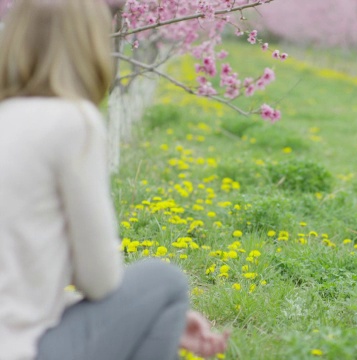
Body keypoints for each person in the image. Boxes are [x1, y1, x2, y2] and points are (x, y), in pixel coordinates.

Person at [0, 0, 229, 359]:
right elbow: (99, 280)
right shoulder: (72, 121)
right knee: (164, 281)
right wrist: (141, 310)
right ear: (89, 43)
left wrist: (137, 316)